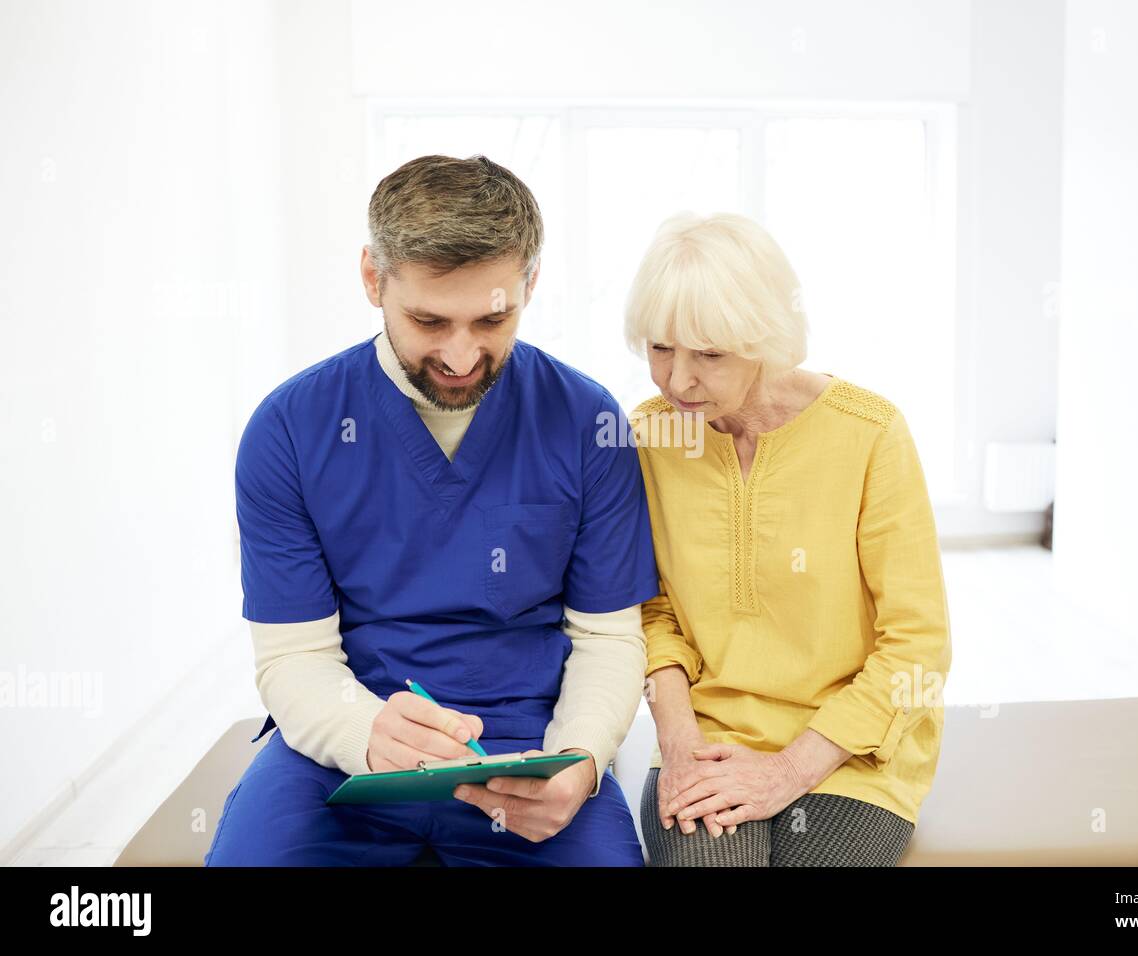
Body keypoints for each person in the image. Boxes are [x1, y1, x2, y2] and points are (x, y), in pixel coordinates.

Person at [205, 154, 660, 866]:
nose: (460, 355)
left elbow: (607, 638)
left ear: (531, 285)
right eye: (428, 319)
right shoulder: (291, 428)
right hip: (345, 737)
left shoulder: (586, 422)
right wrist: (363, 736)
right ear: (371, 279)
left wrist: (581, 758)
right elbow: (294, 655)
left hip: (530, 747)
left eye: (491, 318)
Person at [625, 212, 952, 866]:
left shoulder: (870, 433)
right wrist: (681, 742)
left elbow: (918, 643)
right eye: (661, 348)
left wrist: (787, 772)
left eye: (709, 354)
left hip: (850, 749)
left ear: (765, 339)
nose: (677, 380)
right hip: (706, 740)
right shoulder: (650, 435)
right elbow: (650, 611)